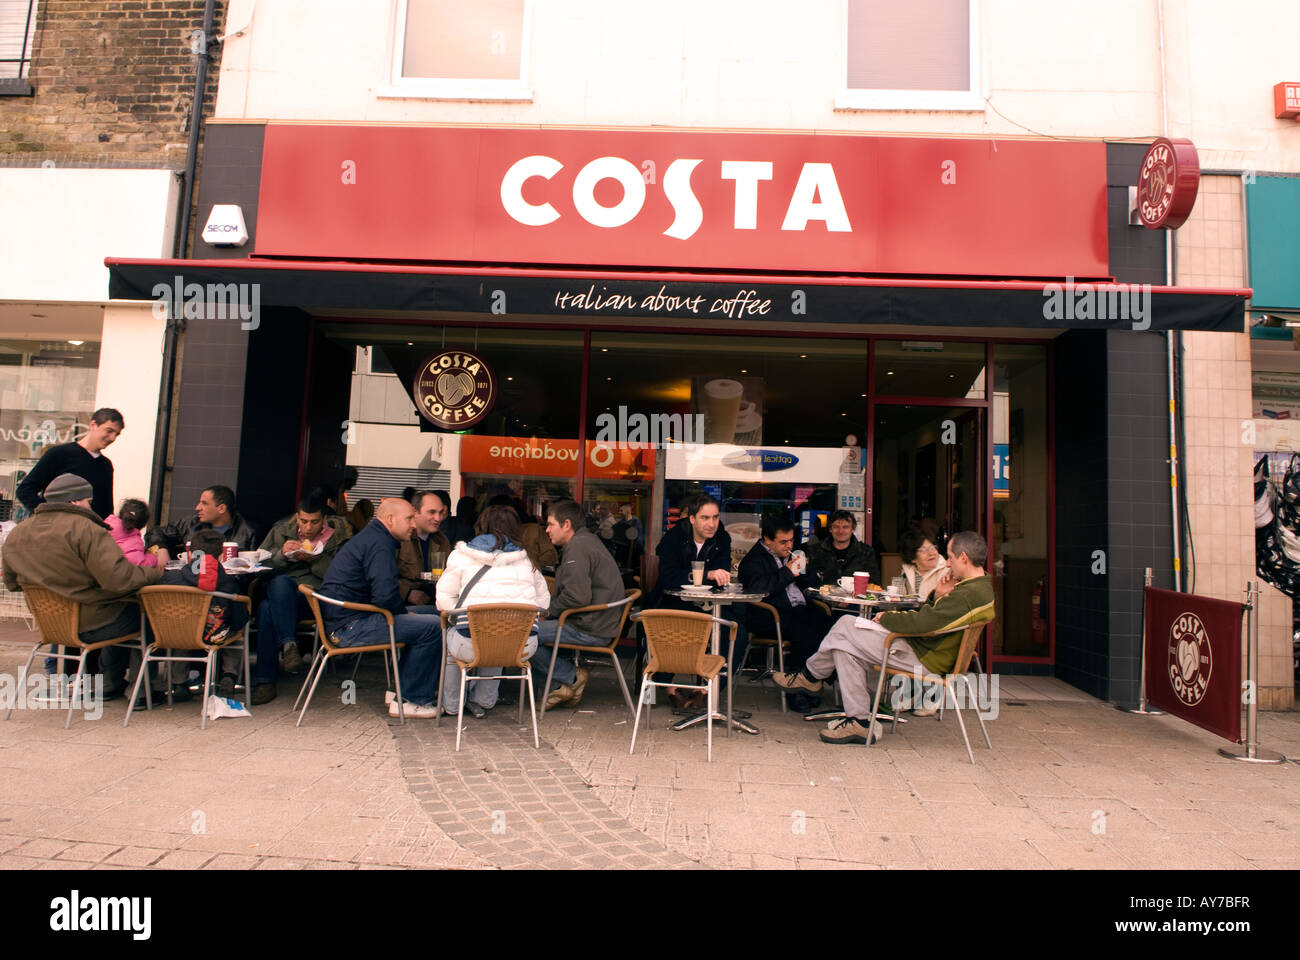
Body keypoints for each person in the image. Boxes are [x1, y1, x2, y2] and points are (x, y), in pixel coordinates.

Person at [773, 531, 993, 745]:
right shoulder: (977, 589)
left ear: (964, 558)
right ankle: (856, 720)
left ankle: (811, 677)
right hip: (925, 650)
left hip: (923, 658)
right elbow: (934, 620)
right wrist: (938, 595)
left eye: (951, 558)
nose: (947, 564)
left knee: (844, 627)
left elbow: (923, 623)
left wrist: (887, 617)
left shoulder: (967, 595)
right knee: (844, 644)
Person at [1, 473, 165, 699]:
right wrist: (152, 573)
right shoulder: (87, 529)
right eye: (88, 501)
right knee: (147, 614)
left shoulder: (19, 532)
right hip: (90, 623)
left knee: (119, 609)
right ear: (74, 501)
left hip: (50, 624)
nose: (91, 506)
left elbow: (11, 583)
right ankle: (141, 692)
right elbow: (119, 580)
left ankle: (108, 685)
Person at [317, 498, 444, 719]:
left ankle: (397, 690)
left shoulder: (375, 537)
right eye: (409, 518)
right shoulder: (379, 544)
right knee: (433, 627)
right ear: (389, 519)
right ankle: (411, 699)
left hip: (352, 618)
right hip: (351, 627)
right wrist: (405, 615)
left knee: (435, 614)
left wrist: (405, 615)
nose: (414, 524)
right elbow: (385, 596)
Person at [435, 504, 549, 718]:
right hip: (521, 647)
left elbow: (443, 600)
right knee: (501, 637)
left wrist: (459, 612)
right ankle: (484, 701)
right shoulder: (528, 561)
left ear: (481, 526)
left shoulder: (460, 556)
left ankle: (452, 705)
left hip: (469, 646)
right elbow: (544, 602)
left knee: (454, 639)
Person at [249, 493, 349, 704]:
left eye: (314, 522)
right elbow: (258, 567)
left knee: (268, 608)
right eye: (303, 521)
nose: (308, 527)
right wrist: (281, 555)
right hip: (282, 596)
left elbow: (343, 576)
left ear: (323, 520)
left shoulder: (338, 538)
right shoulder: (280, 531)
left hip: (315, 599)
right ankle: (289, 647)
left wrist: (315, 560)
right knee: (276, 590)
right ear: (297, 517)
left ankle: (265, 680)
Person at [649, 494, 743, 707]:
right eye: (705, 518)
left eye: (715, 517)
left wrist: (715, 577)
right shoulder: (673, 538)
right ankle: (668, 687)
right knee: (679, 630)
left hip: (709, 606)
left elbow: (722, 576)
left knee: (738, 633)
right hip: (672, 601)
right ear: (692, 519)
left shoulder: (722, 538)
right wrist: (706, 575)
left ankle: (708, 688)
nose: (711, 524)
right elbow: (668, 578)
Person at [533, 499, 625, 709]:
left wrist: (548, 612)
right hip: (597, 622)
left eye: (550, 525)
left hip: (590, 627)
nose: (547, 530)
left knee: (524, 634)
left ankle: (570, 679)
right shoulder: (585, 541)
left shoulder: (577, 548)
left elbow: (577, 597)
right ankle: (560, 687)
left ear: (566, 524)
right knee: (531, 632)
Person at [737, 516, 831, 712]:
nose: (789, 545)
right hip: (769, 615)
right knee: (804, 631)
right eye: (783, 542)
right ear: (767, 539)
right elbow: (759, 590)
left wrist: (803, 568)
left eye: (791, 541)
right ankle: (796, 690)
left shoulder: (794, 554)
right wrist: (788, 572)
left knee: (828, 624)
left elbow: (814, 585)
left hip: (799, 610)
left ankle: (814, 681)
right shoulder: (753, 560)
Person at [158, 529, 251, 698]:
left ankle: (179, 683)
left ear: (191, 554)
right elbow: (238, 620)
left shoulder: (173, 579)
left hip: (180, 633)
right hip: (215, 634)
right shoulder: (228, 582)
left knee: (182, 628)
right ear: (221, 555)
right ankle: (229, 675)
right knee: (234, 631)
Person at [16, 408, 124, 520]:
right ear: (93, 425)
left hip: (90, 533)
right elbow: (25, 490)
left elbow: (106, 508)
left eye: (117, 434)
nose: (112, 438)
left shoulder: (105, 465)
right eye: (109, 431)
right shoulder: (59, 454)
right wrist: (49, 515)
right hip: (58, 532)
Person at [398, 490, 452, 607]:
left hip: (434, 602)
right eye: (432, 512)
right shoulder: (400, 538)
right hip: (402, 605)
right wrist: (407, 593)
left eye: (441, 512)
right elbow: (383, 578)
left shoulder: (441, 540)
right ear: (415, 512)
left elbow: (450, 575)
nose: (438, 518)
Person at [807, 509, 880, 588]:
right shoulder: (815, 552)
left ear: (853, 529)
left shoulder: (866, 553)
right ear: (830, 529)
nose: (840, 531)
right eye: (836, 527)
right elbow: (808, 584)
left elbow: (874, 584)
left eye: (845, 527)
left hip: (855, 599)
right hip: (821, 599)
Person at [488, 494, 557, 570]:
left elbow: (551, 557)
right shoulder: (486, 536)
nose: (503, 517)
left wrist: (527, 564)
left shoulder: (533, 530)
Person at [180, 485, 258, 552]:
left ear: (221, 509)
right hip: (196, 569)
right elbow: (168, 534)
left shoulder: (248, 532)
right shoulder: (191, 523)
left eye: (204, 503)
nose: (197, 508)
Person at [106, 498, 163, 568]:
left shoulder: (104, 526)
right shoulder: (134, 542)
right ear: (143, 525)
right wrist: (152, 557)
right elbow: (140, 565)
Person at [900, 528, 949, 600]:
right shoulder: (907, 572)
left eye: (933, 547)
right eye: (924, 550)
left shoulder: (947, 572)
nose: (931, 553)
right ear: (912, 558)